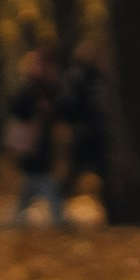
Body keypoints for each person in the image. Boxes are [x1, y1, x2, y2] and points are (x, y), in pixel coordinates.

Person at [4, 50, 64, 227]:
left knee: (31, 182)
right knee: (41, 180)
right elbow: (17, 111)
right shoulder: (27, 89)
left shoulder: (49, 87)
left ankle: (19, 218)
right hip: (32, 143)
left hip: (41, 143)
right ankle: (56, 216)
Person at [56, 43, 109, 214]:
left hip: (96, 132)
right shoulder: (77, 76)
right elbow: (67, 104)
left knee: (103, 171)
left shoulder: (97, 76)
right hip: (83, 131)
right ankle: (58, 209)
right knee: (74, 171)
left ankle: (112, 209)